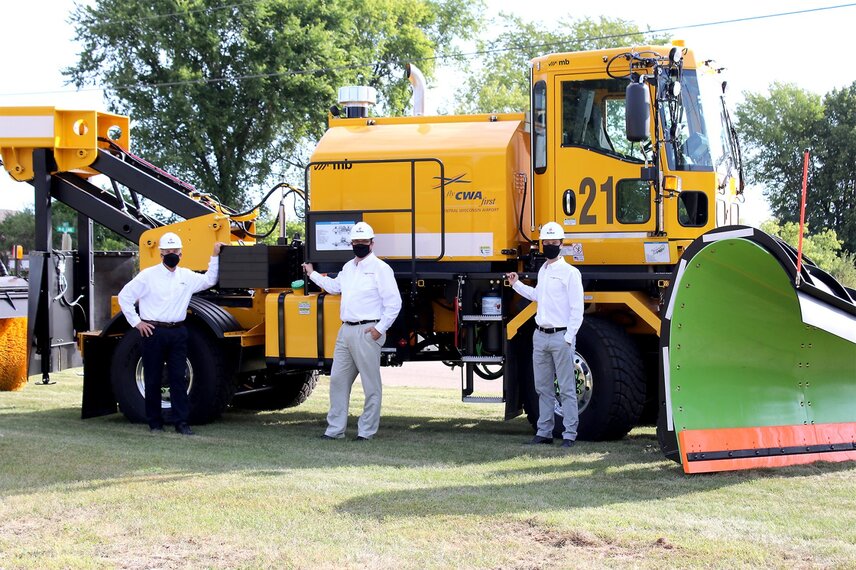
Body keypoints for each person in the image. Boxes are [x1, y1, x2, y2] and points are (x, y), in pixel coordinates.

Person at [302, 222, 402, 441]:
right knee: (338, 380)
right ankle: (335, 430)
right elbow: (335, 287)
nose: (359, 245)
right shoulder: (348, 267)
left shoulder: (381, 269)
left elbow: (394, 304)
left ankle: (366, 432)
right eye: (356, 242)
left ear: (372, 243)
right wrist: (312, 274)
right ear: (351, 243)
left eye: (363, 242)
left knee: (370, 384)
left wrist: (379, 329)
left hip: (367, 331)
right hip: (345, 331)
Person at [118, 232, 225, 435]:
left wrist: (215, 254)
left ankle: (181, 423)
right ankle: (155, 423)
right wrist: (137, 323)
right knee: (153, 378)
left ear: (181, 253)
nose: (171, 254)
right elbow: (125, 297)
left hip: (177, 332)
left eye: (174, 251)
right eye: (167, 251)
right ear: (160, 254)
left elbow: (210, 279)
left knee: (178, 378)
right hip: (153, 332)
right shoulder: (148, 276)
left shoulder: (186, 276)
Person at [507, 222, 584, 448]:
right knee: (543, 388)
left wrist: (569, 338)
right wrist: (516, 285)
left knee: (567, 389)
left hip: (561, 337)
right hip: (540, 336)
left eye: (553, 243)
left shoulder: (571, 273)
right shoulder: (544, 270)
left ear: (561, 244)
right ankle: (544, 432)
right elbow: (537, 296)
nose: (550, 246)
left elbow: (577, 310)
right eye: (546, 243)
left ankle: (570, 434)